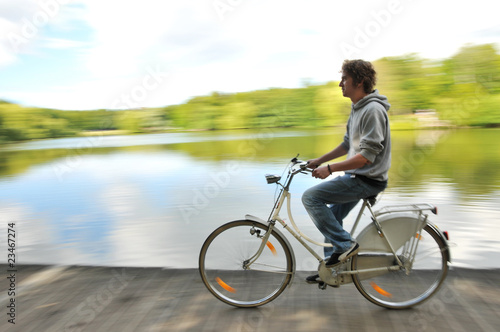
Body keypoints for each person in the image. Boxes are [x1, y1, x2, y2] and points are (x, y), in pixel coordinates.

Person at [302, 59, 391, 284]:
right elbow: (346, 145)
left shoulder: (372, 110)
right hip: (357, 176)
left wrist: (329, 169)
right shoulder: (358, 107)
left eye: (344, 79)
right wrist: (319, 161)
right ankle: (331, 271)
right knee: (331, 217)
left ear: (359, 81)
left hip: (367, 179)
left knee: (311, 197)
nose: (340, 83)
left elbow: (365, 157)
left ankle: (346, 245)